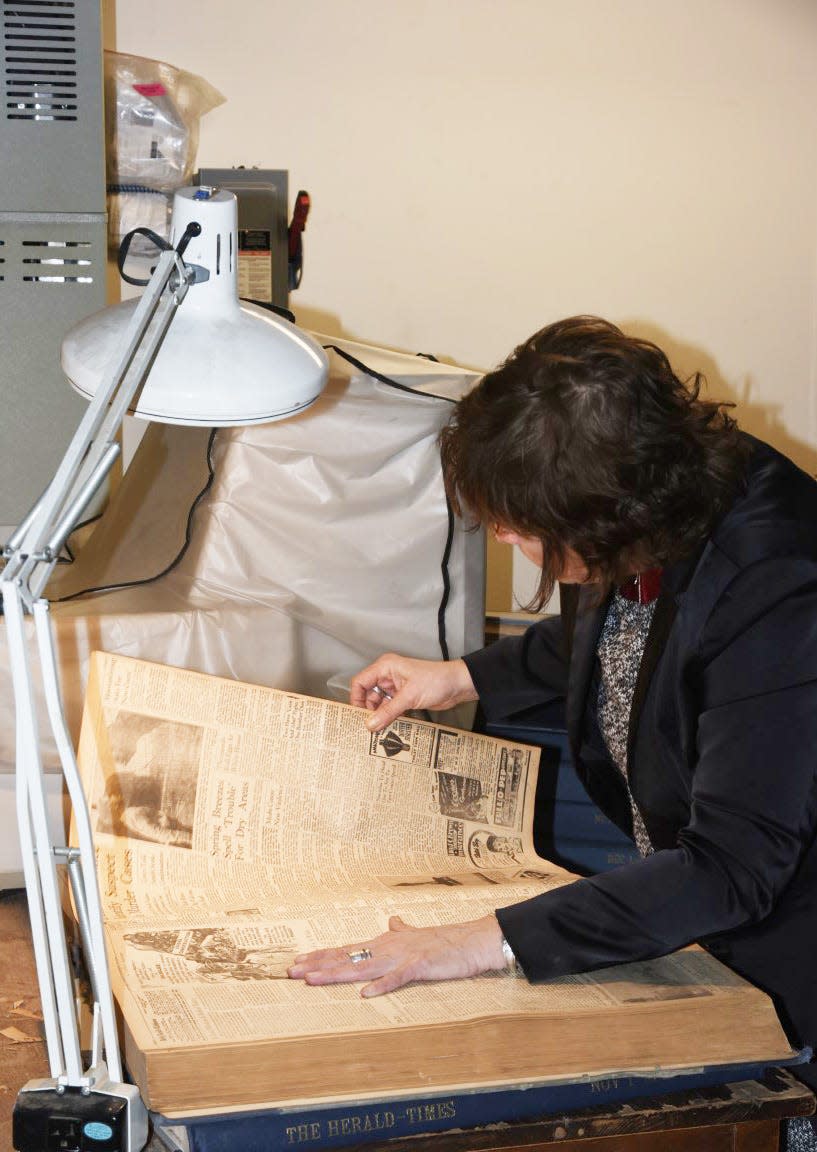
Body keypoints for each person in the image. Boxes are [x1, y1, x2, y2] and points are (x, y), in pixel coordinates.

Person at [288, 317, 817, 1143]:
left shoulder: (781, 585)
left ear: (609, 515)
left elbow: (732, 866)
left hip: (791, 938)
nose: (503, 538)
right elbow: (612, 632)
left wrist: (478, 941)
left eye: (519, 526)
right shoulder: (656, 494)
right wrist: (459, 677)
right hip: (706, 896)